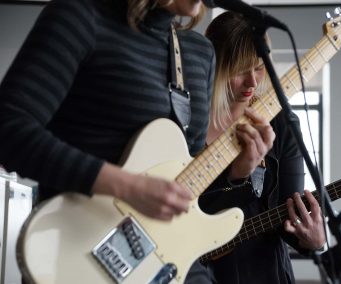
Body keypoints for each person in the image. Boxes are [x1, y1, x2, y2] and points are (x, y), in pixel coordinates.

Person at [0, 1, 274, 283]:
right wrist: (126, 186)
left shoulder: (199, 53)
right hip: (76, 256)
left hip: (164, 261)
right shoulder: (79, 17)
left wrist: (237, 172)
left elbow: (185, 189)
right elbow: (9, 127)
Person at [199, 11, 326, 284]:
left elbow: (288, 213)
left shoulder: (281, 122)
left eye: (258, 67)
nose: (253, 82)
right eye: (239, 70)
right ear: (215, 63)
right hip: (198, 272)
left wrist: (313, 239)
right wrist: (239, 174)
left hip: (267, 273)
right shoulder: (188, 120)